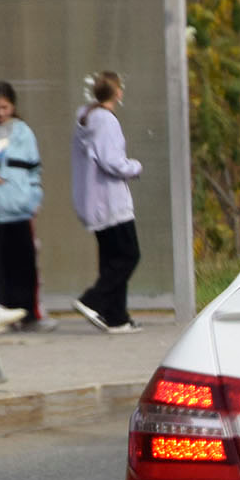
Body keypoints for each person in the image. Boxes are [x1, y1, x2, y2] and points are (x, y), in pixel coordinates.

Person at [70, 71, 143, 334]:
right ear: (118, 93)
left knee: (111, 258)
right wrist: (134, 167)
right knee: (129, 255)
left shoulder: (85, 118)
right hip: (112, 201)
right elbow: (112, 161)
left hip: (93, 203)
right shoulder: (106, 121)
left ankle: (116, 316)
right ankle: (93, 300)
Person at [0, 81, 52, 332]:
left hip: (19, 208)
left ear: (13, 106)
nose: (0, 112)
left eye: (4, 107)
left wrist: (34, 200)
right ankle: (2, 310)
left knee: (24, 265)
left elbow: (35, 170)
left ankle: (28, 312)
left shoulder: (24, 133)